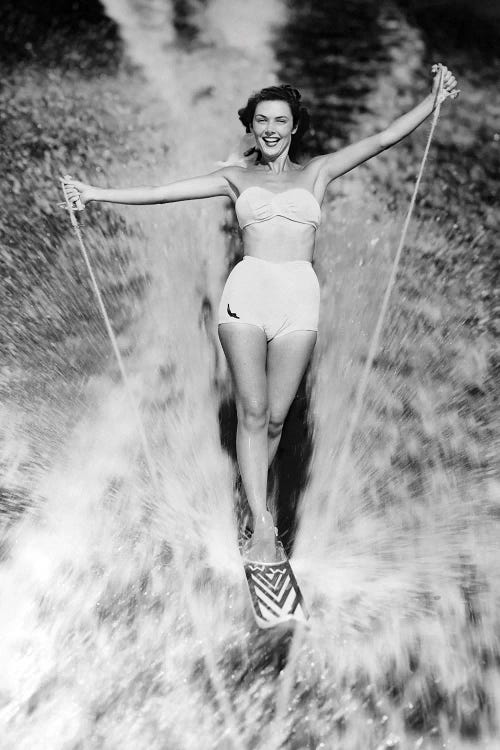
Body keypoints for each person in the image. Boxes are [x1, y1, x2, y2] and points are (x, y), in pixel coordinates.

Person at [64, 64, 458, 560]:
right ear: (251, 127)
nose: (270, 129)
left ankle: (251, 509)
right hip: (246, 298)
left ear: (295, 127)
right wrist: (96, 193)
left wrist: (432, 100)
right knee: (251, 412)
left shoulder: (318, 172)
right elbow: (163, 193)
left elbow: (382, 139)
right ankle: (263, 524)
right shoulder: (234, 177)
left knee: (274, 419)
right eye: (262, 121)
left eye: (280, 120)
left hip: (299, 302)